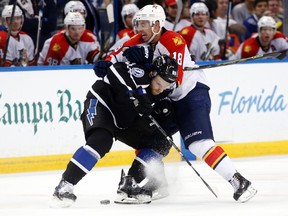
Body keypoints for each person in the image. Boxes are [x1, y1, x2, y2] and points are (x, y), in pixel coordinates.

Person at [106, 3, 257, 203]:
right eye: (138, 24)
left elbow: (171, 79)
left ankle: (239, 181)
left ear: (157, 25)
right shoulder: (139, 39)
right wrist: (106, 62)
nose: (139, 29)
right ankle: (156, 184)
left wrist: (146, 65)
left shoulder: (174, 40)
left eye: (144, 24)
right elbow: (115, 54)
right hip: (166, 97)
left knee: (197, 144)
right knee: (155, 141)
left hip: (190, 93)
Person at [52, 54, 179, 207]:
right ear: (152, 73)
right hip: (102, 104)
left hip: (124, 121)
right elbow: (114, 71)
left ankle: (129, 184)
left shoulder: (160, 92)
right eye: (159, 83)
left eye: (165, 86)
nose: (161, 89)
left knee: (162, 142)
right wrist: (138, 93)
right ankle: (65, 185)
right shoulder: (139, 72)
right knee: (101, 142)